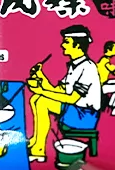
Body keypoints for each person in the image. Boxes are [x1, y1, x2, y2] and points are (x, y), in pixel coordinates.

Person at [27, 25, 102, 162]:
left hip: (84, 115)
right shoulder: (74, 65)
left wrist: (42, 91)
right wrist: (41, 76)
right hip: (74, 109)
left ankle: (39, 150)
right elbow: (57, 90)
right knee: (36, 98)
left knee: (42, 102)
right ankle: (36, 140)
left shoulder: (88, 68)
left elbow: (72, 98)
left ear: (77, 45)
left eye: (66, 42)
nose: (62, 45)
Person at [96, 41, 115, 116]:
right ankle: (114, 109)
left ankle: (111, 104)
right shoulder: (106, 62)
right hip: (99, 87)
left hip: (102, 83)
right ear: (109, 50)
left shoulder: (104, 60)